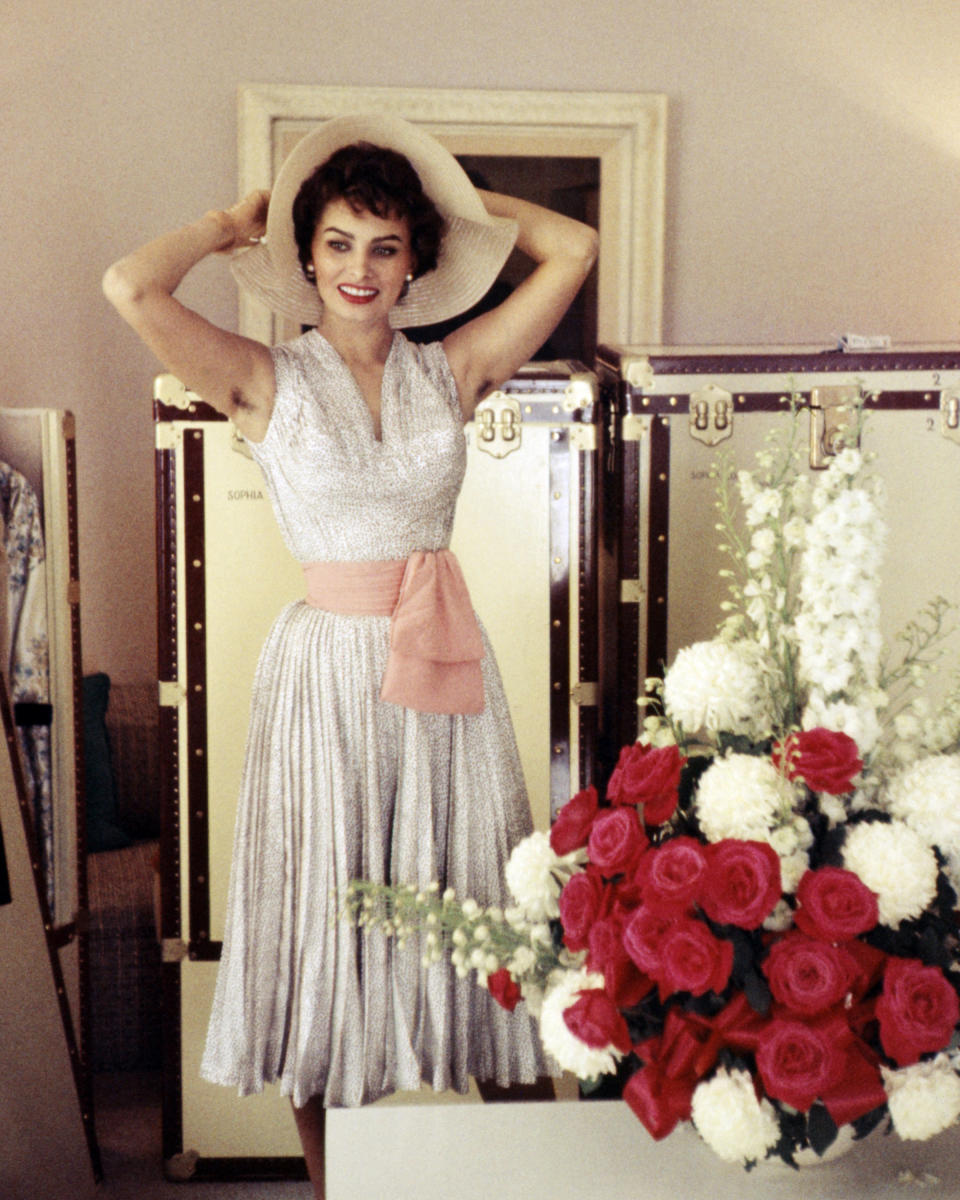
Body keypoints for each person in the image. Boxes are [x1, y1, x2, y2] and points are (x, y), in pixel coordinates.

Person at [103, 112, 598, 1198]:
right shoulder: (260, 377)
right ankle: (333, 1185)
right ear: (305, 256)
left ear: (417, 258)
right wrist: (228, 222)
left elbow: (574, 250)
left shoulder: (454, 369)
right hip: (323, 680)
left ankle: (534, 1173)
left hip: (448, 679)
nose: (360, 269)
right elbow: (131, 288)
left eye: (385, 244)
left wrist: (470, 210)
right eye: (336, 243)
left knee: (477, 917)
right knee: (324, 915)